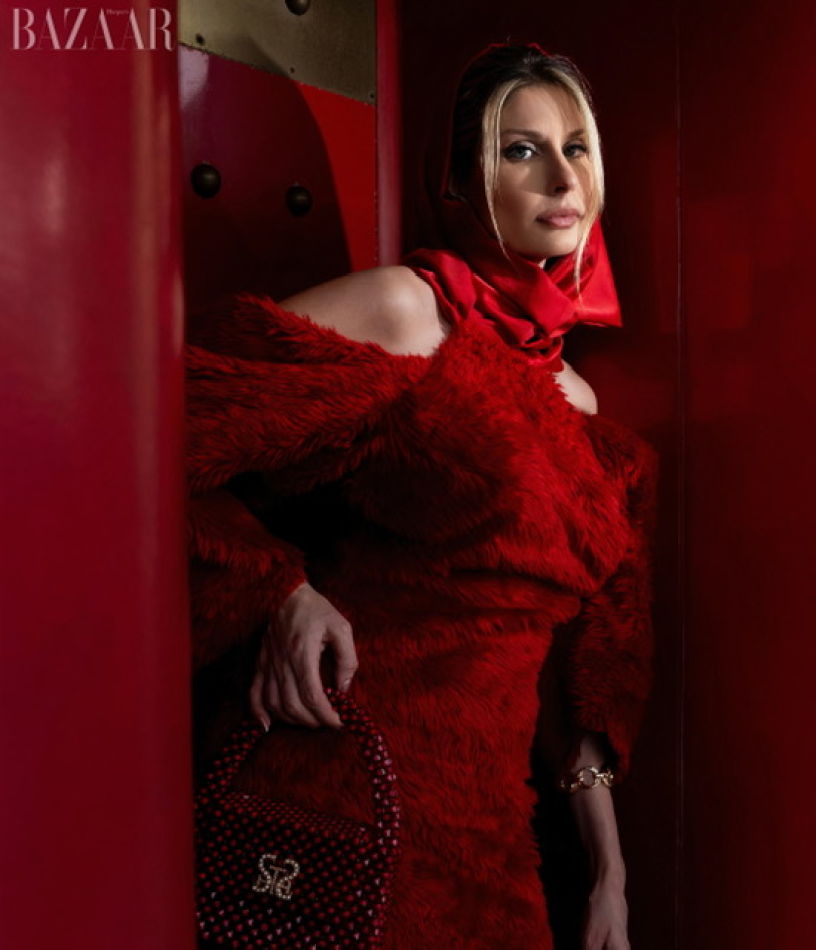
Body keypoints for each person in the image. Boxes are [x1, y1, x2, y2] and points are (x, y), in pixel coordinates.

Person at [186, 41, 659, 950]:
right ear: (459, 181)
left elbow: (582, 671)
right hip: (348, 773)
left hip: (492, 823)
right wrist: (279, 592)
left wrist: (610, 874)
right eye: (520, 150)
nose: (562, 177)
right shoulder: (408, 310)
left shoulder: (581, 403)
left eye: (576, 148)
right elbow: (163, 420)